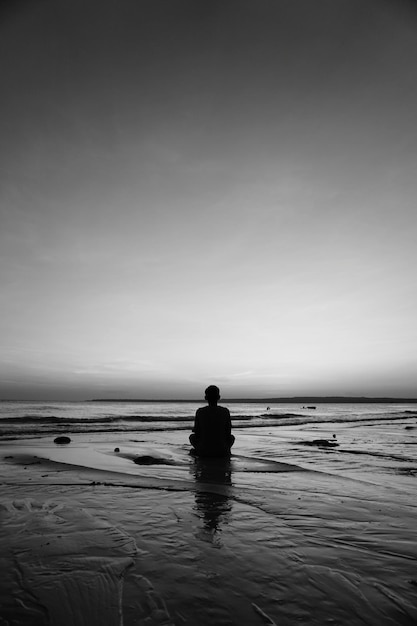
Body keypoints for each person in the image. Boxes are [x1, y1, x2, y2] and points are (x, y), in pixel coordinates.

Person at [189, 385, 235, 457]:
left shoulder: (200, 411)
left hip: (204, 450)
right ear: (218, 397)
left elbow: (197, 432)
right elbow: (228, 432)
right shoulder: (225, 411)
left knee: (192, 437)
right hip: (222, 450)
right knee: (232, 437)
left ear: (206, 397)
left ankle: (200, 450)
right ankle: (223, 450)